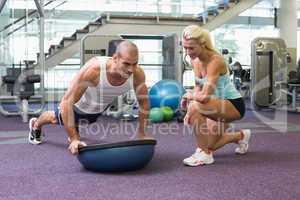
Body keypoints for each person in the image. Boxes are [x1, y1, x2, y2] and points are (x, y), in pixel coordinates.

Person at [28, 40, 150, 155]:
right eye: (126, 64)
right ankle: (36, 124)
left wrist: (142, 133)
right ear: (115, 58)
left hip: (98, 108)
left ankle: (75, 125)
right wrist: (74, 138)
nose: (131, 69)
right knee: (55, 118)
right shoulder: (94, 70)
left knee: (83, 121)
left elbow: (143, 103)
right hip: (77, 105)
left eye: (135, 64)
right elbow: (67, 102)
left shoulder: (138, 74)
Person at [180, 25, 251, 166]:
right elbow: (198, 87)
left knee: (195, 105)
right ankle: (241, 136)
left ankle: (204, 154)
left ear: (203, 44)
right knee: (210, 144)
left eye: (191, 48)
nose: (187, 52)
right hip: (214, 105)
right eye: (185, 48)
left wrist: (189, 97)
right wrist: (189, 106)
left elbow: (205, 96)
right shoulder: (194, 61)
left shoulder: (215, 61)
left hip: (232, 104)